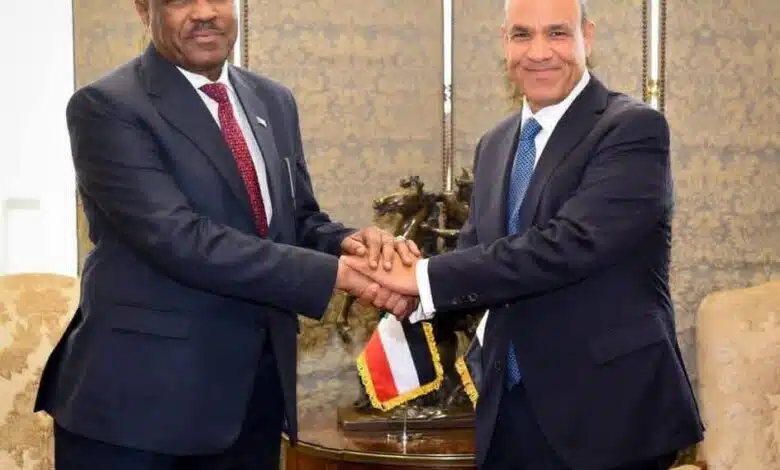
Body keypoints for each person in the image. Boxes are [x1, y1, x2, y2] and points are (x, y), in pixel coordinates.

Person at [34, 0, 417, 469]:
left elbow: (294, 218)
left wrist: (350, 244)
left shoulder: (272, 100)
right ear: (144, 10)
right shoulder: (107, 107)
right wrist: (340, 275)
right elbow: (179, 239)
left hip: (253, 400)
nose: (204, 12)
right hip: (140, 409)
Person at [343, 0, 704, 468]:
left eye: (557, 33)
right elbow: (477, 255)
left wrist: (421, 278)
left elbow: (569, 244)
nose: (538, 52)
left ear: (587, 37)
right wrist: (405, 291)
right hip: (508, 411)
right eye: (522, 35)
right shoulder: (495, 145)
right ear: (504, 43)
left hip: (608, 414)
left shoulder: (631, 129)